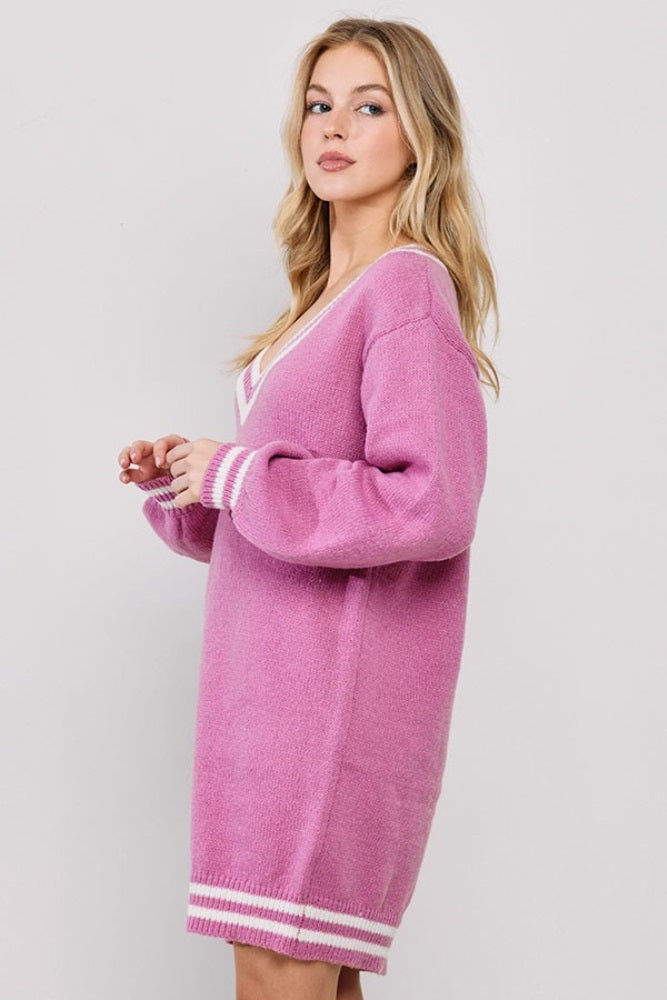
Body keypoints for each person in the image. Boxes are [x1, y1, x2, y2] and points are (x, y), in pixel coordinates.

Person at [118, 16, 499, 1000]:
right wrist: (195, 483)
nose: (332, 126)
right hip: (267, 702)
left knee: (276, 975)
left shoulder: (405, 290)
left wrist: (243, 475)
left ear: (419, 135)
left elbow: (431, 501)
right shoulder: (323, 303)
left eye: (369, 107)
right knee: (303, 981)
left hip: (325, 717)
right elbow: (302, 505)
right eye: (319, 104)